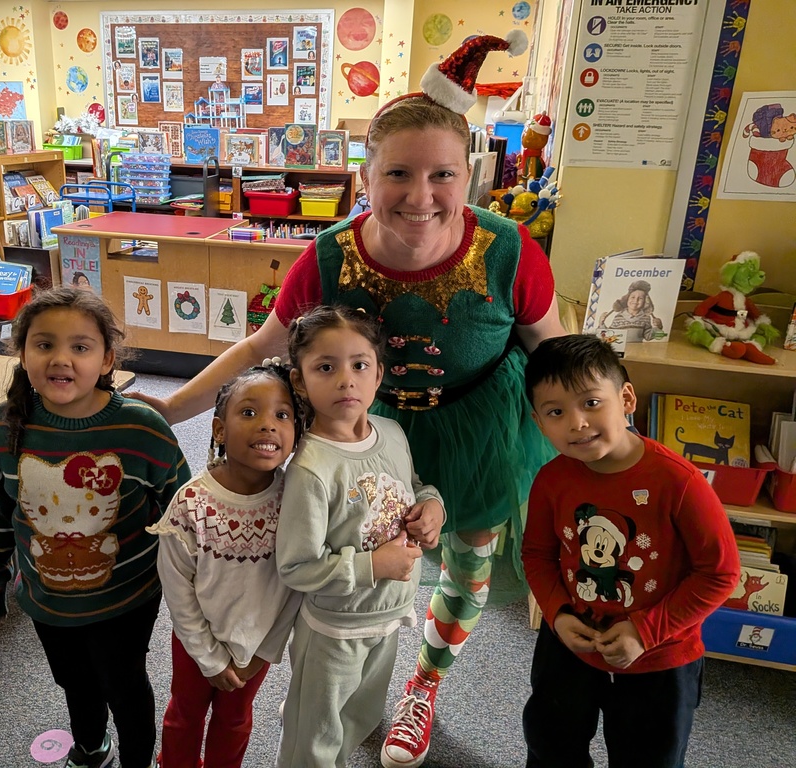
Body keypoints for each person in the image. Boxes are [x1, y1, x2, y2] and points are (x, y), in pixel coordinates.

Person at [131, 31, 563, 768]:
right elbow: (257, 349)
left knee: (464, 562)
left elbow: (553, 354)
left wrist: (602, 437)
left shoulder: (510, 249)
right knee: (373, 560)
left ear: (472, 176)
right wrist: (168, 410)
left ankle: (423, 688)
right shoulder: (330, 254)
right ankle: (359, 677)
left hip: (481, 428)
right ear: (366, 176)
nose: (421, 196)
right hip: (368, 429)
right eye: (399, 172)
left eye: (443, 175)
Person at [0, 287, 189, 768]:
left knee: (124, 684)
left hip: (127, 598)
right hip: (47, 600)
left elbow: (184, 510)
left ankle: (135, 761)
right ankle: (89, 747)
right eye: (44, 344)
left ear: (108, 358)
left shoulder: (141, 428)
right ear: (21, 353)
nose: (61, 359)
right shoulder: (5, 427)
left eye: (81, 347)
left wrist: (196, 589)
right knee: (74, 681)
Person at [521, 335, 740, 768]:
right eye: (556, 412)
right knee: (551, 747)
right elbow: (538, 555)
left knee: (649, 759)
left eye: (590, 403)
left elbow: (720, 574)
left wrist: (645, 631)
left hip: (660, 658)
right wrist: (558, 614)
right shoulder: (551, 479)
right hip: (569, 643)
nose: (577, 423)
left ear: (625, 398)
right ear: (538, 421)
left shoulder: (679, 481)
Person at [274, 305, 444, 766]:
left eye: (359, 365)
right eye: (325, 368)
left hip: (389, 618)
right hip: (334, 631)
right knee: (315, 737)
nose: (346, 379)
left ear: (379, 374)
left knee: (359, 718)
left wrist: (433, 507)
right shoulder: (312, 469)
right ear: (300, 380)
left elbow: (416, 485)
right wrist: (374, 565)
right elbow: (295, 566)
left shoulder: (391, 431)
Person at [149, 362, 303, 768]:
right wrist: (208, 657)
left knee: (234, 720)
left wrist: (266, 651)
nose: (268, 425)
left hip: (255, 647)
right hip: (195, 642)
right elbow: (177, 589)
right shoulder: (191, 503)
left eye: (282, 415)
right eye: (249, 412)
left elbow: (297, 583)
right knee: (185, 715)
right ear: (219, 429)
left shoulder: (298, 502)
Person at [598, 280, 664, 342]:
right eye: (633, 297)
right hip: (622, 351)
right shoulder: (619, 317)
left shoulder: (645, 318)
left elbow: (648, 337)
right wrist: (601, 324)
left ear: (645, 301)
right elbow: (610, 336)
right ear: (627, 299)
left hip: (637, 351)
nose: (635, 301)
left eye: (640, 298)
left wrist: (659, 327)